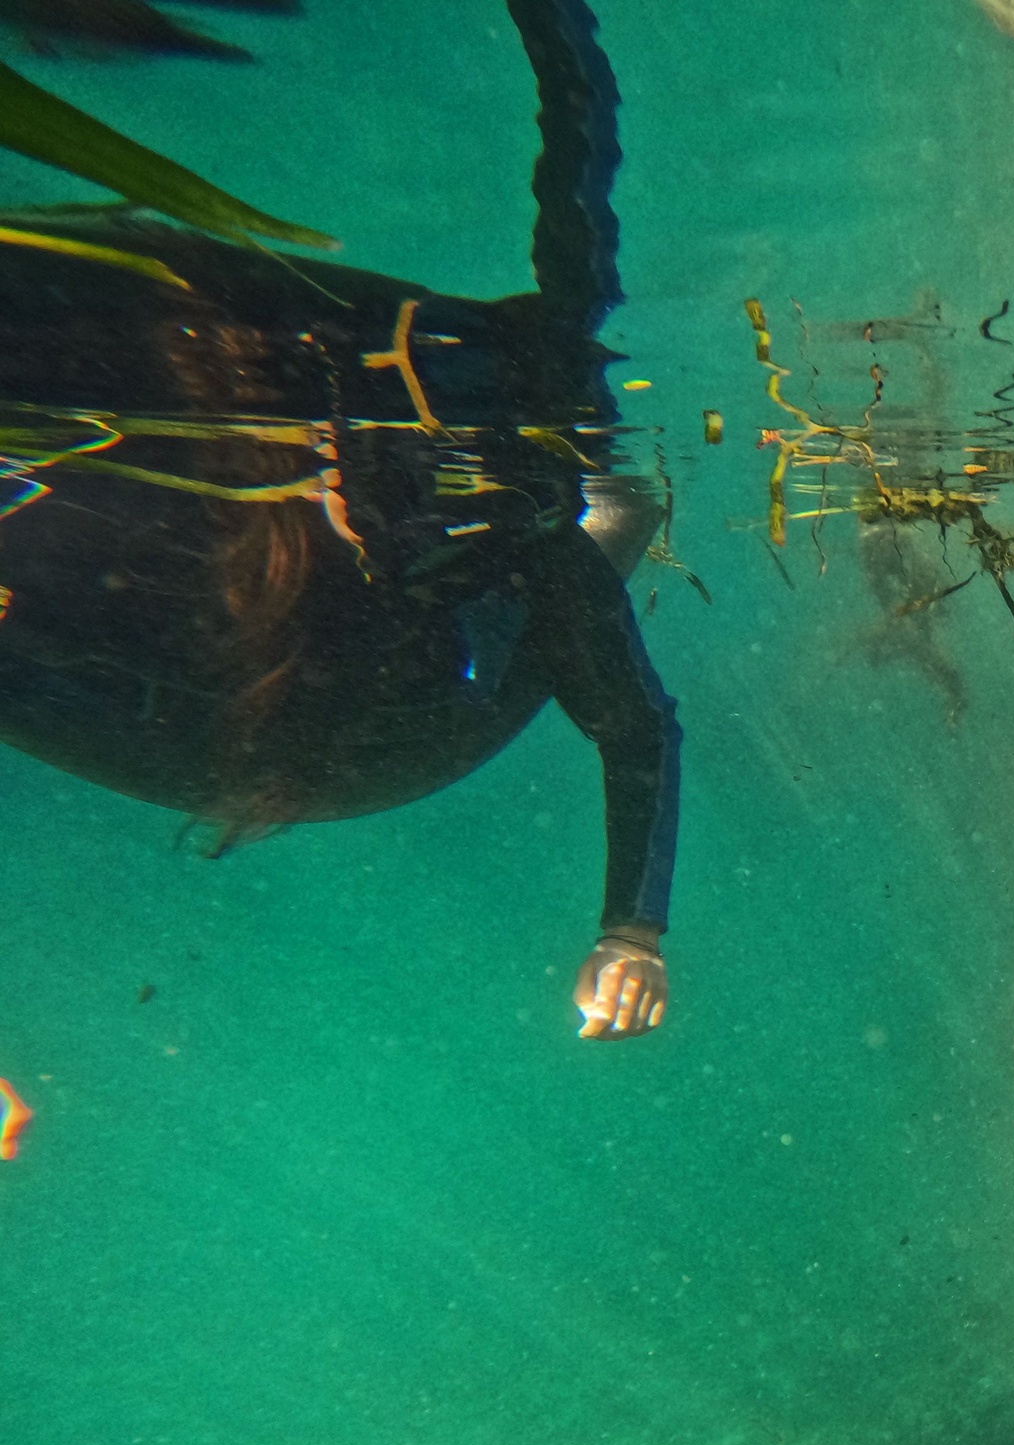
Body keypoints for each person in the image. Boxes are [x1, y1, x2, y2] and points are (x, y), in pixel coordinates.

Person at [0, 0, 678, 1036]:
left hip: (404, 742)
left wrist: (632, 931)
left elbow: (634, 727)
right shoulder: (224, 522)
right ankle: (614, 507)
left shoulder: (518, 546)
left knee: (594, 524)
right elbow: (579, 191)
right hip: (273, 701)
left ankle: (619, 510)